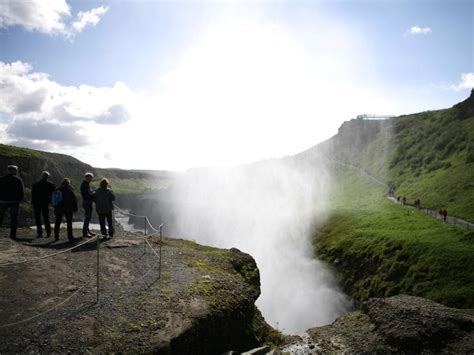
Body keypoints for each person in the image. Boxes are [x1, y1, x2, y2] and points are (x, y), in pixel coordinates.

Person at [0, 165, 24, 240]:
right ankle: (13, 235)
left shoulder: (1, 179)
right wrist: (20, 199)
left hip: (3, 201)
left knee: (0, 216)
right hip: (14, 201)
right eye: (16, 170)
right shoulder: (18, 179)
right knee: (14, 218)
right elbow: (21, 191)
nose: (17, 172)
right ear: (14, 171)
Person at [31, 171, 56, 238]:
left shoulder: (35, 184)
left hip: (37, 203)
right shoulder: (51, 184)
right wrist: (51, 202)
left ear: (41, 176)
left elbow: (33, 194)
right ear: (48, 176)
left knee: (37, 218)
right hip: (45, 203)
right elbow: (53, 194)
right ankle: (48, 233)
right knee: (46, 218)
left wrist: (32, 203)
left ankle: (39, 233)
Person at [81, 172, 96, 238]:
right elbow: (87, 195)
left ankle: (87, 231)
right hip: (87, 202)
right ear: (87, 177)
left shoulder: (86, 184)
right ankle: (85, 232)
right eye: (90, 178)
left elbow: (88, 193)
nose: (91, 179)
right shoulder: (85, 185)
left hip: (87, 202)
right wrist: (94, 193)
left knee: (87, 217)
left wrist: (92, 193)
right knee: (87, 217)